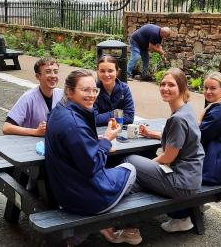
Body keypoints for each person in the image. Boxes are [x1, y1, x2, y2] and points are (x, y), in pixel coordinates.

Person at [45, 69, 142, 245]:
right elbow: (92, 166)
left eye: (94, 90)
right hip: (86, 199)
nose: (92, 95)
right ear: (70, 91)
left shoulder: (60, 111)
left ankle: (93, 228)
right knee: (131, 167)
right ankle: (123, 226)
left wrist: (90, 140)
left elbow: (75, 143)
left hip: (64, 191)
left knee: (118, 166)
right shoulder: (74, 124)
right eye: (85, 90)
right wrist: (107, 140)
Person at [124, 68, 204, 231]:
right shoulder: (186, 109)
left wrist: (147, 165)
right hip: (193, 177)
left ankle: (125, 224)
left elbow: (167, 157)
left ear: (181, 88)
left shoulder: (177, 119)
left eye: (171, 85)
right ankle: (128, 225)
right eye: (162, 84)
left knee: (130, 160)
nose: (165, 88)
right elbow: (179, 140)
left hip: (182, 183)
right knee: (137, 178)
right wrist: (151, 134)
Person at [161, 71, 221, 232]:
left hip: (215, 169)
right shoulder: (219, 105)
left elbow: (197, 136)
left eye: (213, 88)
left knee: (172, 173)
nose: (208, 92)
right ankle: (195, 207)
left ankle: (182, 216)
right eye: (206, 88)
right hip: (220, 163)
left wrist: (170, 139)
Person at [2, 57, 63, 136]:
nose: (53, 76)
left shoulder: (62, 95)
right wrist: (36, 132)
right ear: (38, 76)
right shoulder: (28, 98)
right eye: (48, 72)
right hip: (32, 145)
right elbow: (6, 128)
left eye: (56, 72)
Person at [94, 54, 135, 126]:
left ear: (117, 72)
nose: (106, 74)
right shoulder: (93, 90)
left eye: (110, 71)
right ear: (98, 72)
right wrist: (116, 113)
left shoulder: (125, 88)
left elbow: (129, 117)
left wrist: (103, 117)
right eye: (102, 71)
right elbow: (94, 119)